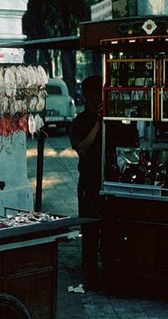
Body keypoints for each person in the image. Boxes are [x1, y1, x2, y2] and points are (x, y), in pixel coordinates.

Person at [69, 75, 104, 290]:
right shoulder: (79, 122)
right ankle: (89, 269)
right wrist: (98, 124)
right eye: (97, 93)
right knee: (90, 227)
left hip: (107, 180)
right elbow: (81, 149)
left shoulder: (110, 119)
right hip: (89, 181)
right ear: (89, 95)